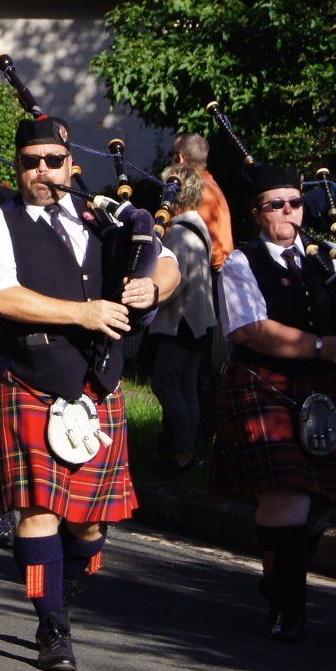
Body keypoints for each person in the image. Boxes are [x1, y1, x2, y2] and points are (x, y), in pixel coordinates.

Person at [0, 114, 178, 671]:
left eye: (53, 161)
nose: (43, 171)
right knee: (37, 511)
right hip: (33, 378)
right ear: (16, 169)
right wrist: (83, 314)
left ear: (71, 165)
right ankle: (50, 624)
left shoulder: (101, 215)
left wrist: (151, 284)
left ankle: (62, 584)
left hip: (99, 384)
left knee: (88, 523)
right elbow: (1, 298)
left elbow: (171, 260)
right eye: (30, 163)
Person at [212, 161, 336, 644]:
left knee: (323, 502)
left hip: (326, 391)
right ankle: (288, 605)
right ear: (258, 213)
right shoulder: (241, 262)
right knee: (287, 495)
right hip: (266, 383)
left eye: (296, 203)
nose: (290, 213)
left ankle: (277, 576)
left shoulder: (326, 256)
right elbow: (251, 329)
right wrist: (318, 346)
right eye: (278, 205)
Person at [150, 164, 219, 476]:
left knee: (164, 383)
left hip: (181, 323)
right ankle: (191, 446)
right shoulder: (199, 226)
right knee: (187, 385)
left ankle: (183, 450)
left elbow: (173, 283)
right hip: (202, 322)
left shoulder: (177, 234)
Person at [172, 133, 232, 270]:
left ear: (179, 157)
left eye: (172, 154)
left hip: (210, 270)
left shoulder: (199, 190)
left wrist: (216, 266)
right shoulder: (208, 182)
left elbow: (209, 236)